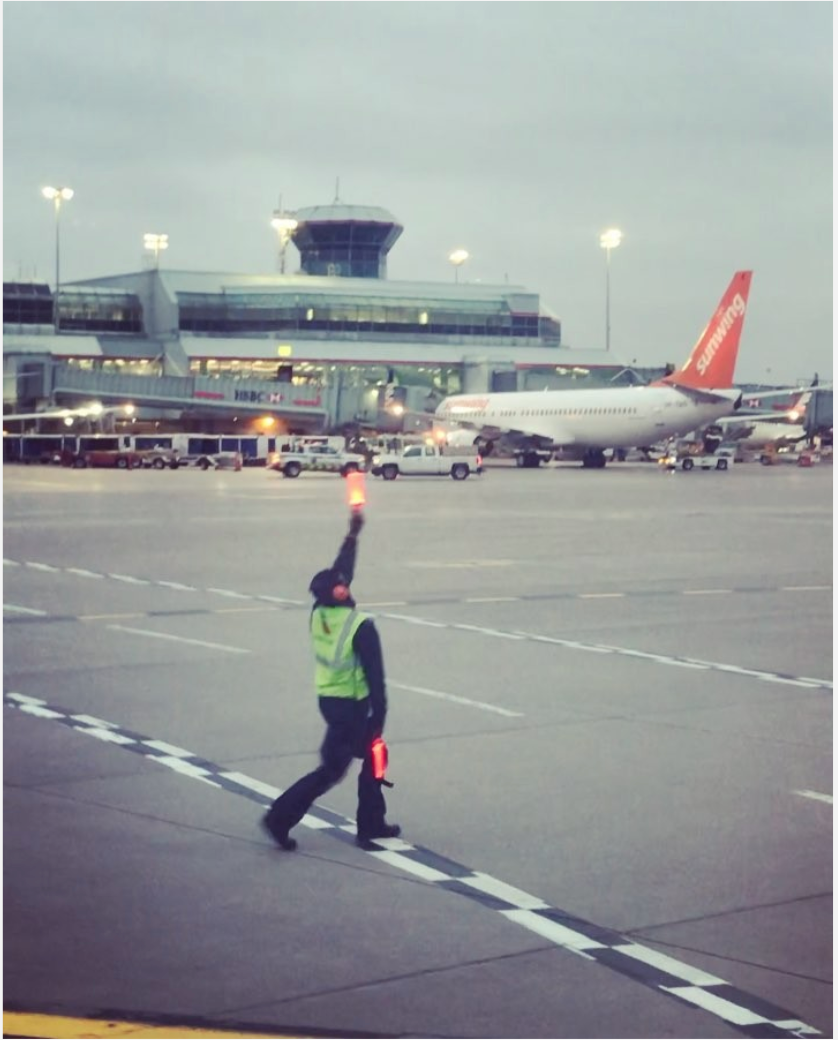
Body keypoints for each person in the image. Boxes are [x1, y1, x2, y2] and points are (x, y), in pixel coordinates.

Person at [262, 510, 401, 851]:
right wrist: (379, 717)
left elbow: (342, 569)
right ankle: (281, 817)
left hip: (330, 701)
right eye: (339, 585)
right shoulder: (359, 626)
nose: (344, 586)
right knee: (336, 769)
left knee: (370, 758)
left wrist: (352, 535)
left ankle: (371, 822)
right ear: (334, 592)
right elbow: (376, 677)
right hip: (353, 708)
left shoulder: (320, 612)